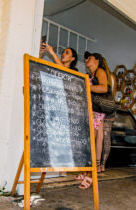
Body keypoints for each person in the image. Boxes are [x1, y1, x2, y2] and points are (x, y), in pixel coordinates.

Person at [39, 42, 78, 177]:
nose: (63, 54)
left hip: (66, 109)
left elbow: (65, 73)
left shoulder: (75, 73)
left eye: (67, 52)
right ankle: (51, 169)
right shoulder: (54, 68)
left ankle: (63, 171)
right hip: (53, 106)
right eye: (63, 52)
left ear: (73, 59)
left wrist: (52, 53)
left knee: (64, 139)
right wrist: (40, 53)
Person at [76, 52, 108, 190]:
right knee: (89, 142)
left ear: (97, 60)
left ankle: (90, 174)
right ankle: (86, 171)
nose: (86, 60)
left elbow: (103, 87)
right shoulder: (93, 74)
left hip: (96, 111)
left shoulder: (100, 71)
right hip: (92, 110)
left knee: (92, 143)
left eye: (89, 58)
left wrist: (86, 87)